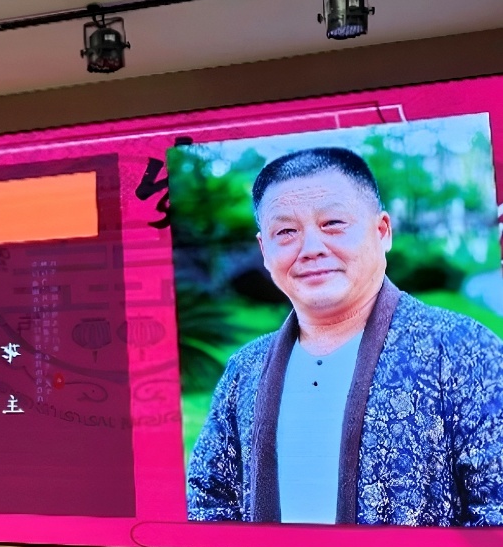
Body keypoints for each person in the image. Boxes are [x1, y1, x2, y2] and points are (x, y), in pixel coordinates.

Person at [187, 146, 503, 526]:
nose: (311, 249)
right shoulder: (245, 370)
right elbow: (207, 501)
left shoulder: (465, 351)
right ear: (264, 250)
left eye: (333, 223)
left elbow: (495, 511)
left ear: (382, 232)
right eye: (286, 232)